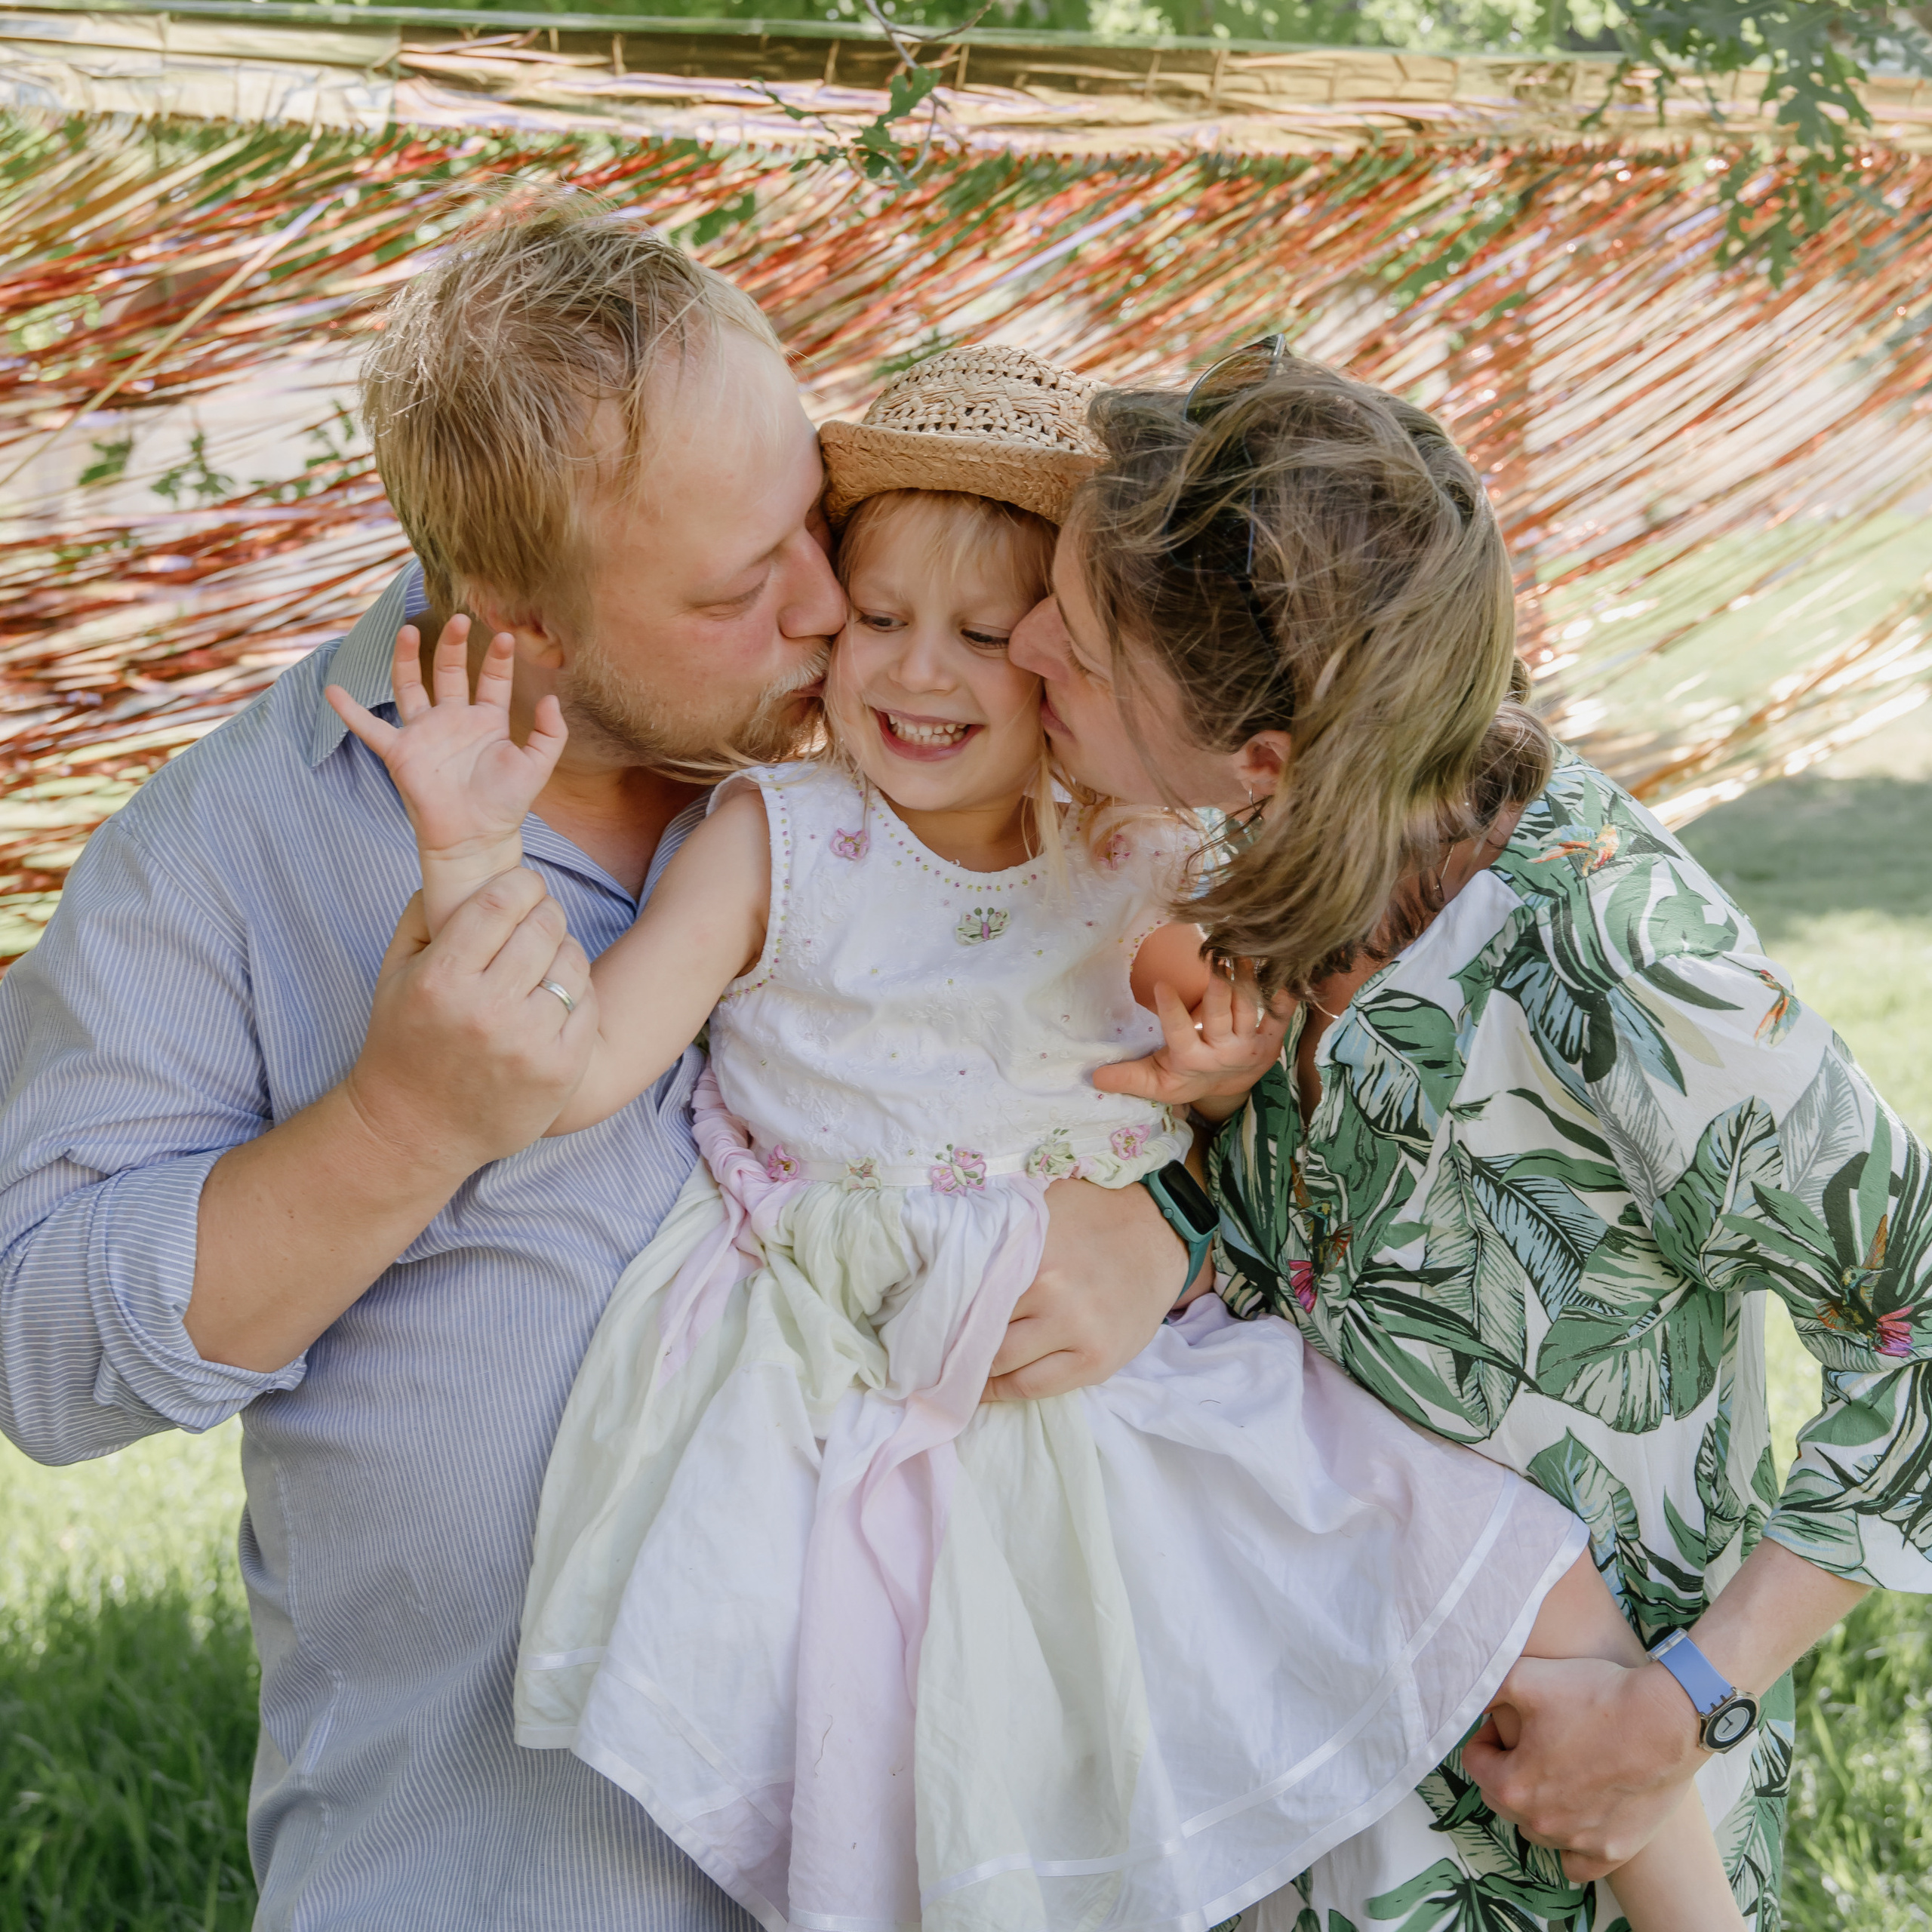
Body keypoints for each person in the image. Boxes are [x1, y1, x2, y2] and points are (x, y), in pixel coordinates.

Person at [330, 345, 1745, 1932]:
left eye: (984, 636)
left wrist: (1206, 1071)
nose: (916, 673)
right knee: (974, 1813)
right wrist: (465, 847)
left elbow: (1205, 1095)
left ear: (1070, 660)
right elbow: (573, 1062)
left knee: (1513, 1572)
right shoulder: (775, 837)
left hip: (1133, 1366)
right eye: (877, 617)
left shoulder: (1129, 848)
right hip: (889, 1385)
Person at [0, 196, 1190, 1929]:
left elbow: (1259, 1050)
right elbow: (41, 1345)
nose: (823, 603)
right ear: (519, 621)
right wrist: (401, 1125)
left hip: (995, 1845)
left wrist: (1162, 1235)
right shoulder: (226, 859)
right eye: (734, 586)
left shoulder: (949, 746)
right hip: (518, 1882)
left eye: (812, 517)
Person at [1011, 342, 1929, 1930]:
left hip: (1559, 1832)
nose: (1027, 643)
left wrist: (1676, 1709)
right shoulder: (1249, 867)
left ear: (1268, 758)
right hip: (1290, 1771)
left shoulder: (1617, 957)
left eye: (1079, 649)